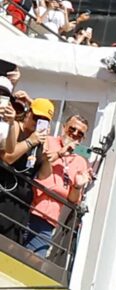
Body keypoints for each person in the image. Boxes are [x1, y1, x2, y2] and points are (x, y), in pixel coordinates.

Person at [25, 114, 93, 257]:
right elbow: (38, 162)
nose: (75, 134)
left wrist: (78, 186)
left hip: (49, 220)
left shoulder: (81, 162)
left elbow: (73, 199)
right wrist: (61, 153)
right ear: (63, 128)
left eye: (80, 134)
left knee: (32, 263)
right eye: (72, 129)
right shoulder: (49, 141)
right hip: (28, 206)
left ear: (83, 139)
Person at [0, 97, 53, 245]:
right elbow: (7, 157)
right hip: (4, 192)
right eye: (36, 117)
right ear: (28, 113)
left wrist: (47, 157)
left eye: (43, 120)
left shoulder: (40, 140)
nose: (37, 122)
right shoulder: (16, 127)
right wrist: (30, 141)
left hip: (20, 204)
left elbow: (44, 176)